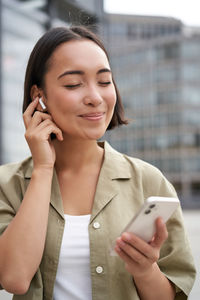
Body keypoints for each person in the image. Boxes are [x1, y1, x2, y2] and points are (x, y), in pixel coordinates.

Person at [0, 25, 196, 300]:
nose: (95, 97)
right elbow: (14, 279)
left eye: (104, 82)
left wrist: (144, 270)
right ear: (38, 96)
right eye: (73, 84)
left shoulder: (148, 181)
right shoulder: (7, 184)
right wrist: (43, 169)